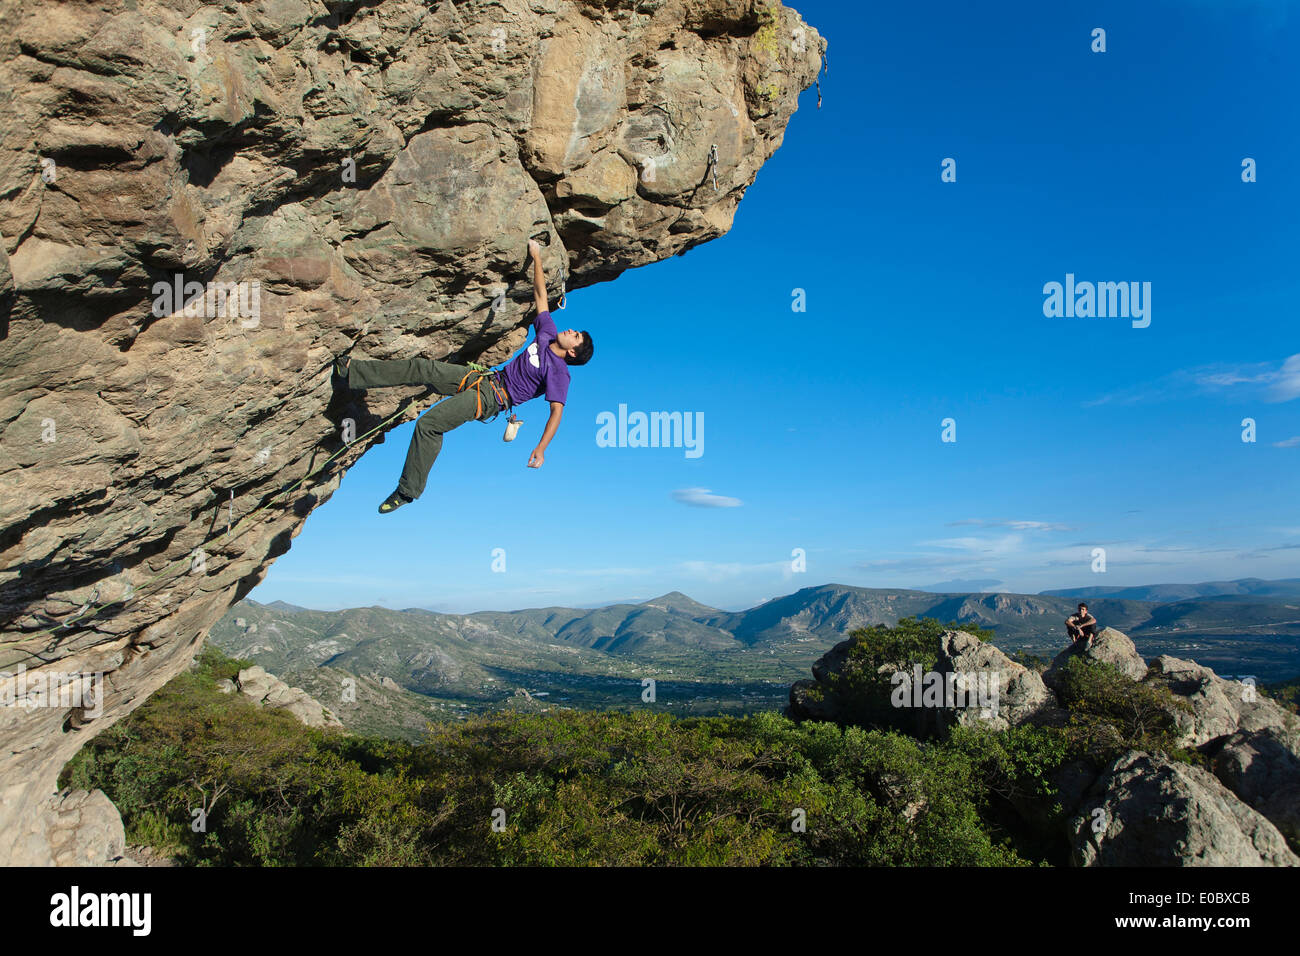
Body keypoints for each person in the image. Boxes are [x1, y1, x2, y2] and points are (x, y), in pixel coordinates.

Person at [331, 239, 594, 513]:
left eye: (575, 337)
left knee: (429, 424)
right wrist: (536, 257)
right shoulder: (547, 333)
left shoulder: (559, 373)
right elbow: (541, 296)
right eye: (574, 331)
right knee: (423, 368)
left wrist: (541, 448)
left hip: (491, 398)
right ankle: (352, 372)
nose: (571, 331)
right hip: (481, 378)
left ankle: (407, 491)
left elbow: (556, 413)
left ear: (573, 353)